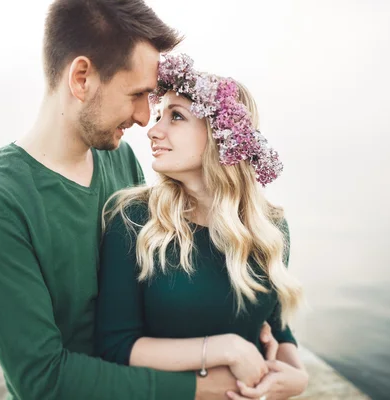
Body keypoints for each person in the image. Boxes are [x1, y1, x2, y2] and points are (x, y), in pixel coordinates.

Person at [0, 0, 277, 399]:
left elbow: (164, 280)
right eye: (138, 93)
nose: (145, 117)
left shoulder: (118, 158)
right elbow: (42, 380)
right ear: (82, 78)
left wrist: (262, 330)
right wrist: (205, 387)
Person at [95, 53, 309, 400]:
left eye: (175, 116)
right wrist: (226, 349)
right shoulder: (135, 220)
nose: (153, 130)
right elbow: (116, 345)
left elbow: (275, 328)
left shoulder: (270, 228)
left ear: (221, 136)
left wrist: (297, 377)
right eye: (160, 114)